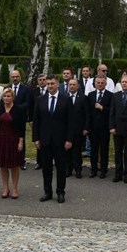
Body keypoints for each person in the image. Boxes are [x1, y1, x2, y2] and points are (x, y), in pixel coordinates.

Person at [33, 74, 74, 203]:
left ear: (57, 84)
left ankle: (60, 192)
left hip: (60, 140)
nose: (50, 86)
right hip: (45, 140)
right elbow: (36, 121)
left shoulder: (65, 100)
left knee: (61, 168)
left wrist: (69, 139)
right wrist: (36, 139)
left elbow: (70, 122)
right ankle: (47, 192)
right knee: (46, 168)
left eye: (52, 83)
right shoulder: (40, 100)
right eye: (48, 83)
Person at [0, 88, 26, 199]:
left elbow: (22, 128)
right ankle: (5, 188)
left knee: (14, 166)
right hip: (1, 139)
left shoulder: (18, 110)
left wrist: (21, 142)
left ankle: (15, 188)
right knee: (3, 166)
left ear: (13, 97)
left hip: (14, 139)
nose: (6, 98)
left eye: (8, 96)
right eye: (4, 96)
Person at [87, 76, 113, 178]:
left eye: (102, 83)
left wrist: (102, 108)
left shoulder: (110, 95)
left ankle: (103, 170)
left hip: (104, 127)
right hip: (93, 127)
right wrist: (87, 126)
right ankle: (93, 169)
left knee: (104, 149)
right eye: (98, 82)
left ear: (105, 84)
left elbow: (112, 111)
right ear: (95, 83)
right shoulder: (90, 95)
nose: (100, 84)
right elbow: (88, 112)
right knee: (93, 150)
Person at [65, 79, 89, 179]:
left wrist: (86, 128)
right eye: (70, 85)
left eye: (74, 85)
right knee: (67, 151)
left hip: (79, 129)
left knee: (77, 151)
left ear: (78, 86)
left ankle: (78, 170)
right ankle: (68, 169)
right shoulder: (64, 98)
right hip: (66, 130)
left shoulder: (83, 98)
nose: (72, 86)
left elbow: (87, 114)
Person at [9, 69, 31, 170]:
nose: (15, 78)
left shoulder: (25, 89)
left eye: (17, 76)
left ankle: (21, 161)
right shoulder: (7, 88)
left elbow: (27, 103)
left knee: (21, 139)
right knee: (10, 139)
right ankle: (11, 160)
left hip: (21, 118)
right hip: (9, 118)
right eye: (13, 77)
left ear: (20, 77)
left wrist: (16, 108)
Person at [30, 73, 47, 170]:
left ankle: (46, 162)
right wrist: (31, 120)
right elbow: (31, 107)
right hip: (37, 120)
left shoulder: (50, 91)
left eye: (44, 80)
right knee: (38, 140)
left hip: (47, 120)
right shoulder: (34, 92)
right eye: (40, 80)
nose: (42, 81)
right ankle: (39, 162)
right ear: (38, 81)